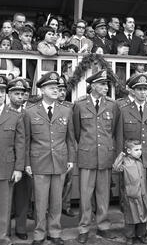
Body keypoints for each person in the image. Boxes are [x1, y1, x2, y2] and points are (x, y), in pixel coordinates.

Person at [24, 71, 76, 245]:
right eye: (52, 87)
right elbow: (26, 140)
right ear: (42, 90)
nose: (57, 90)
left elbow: (70, 137)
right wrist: (27, 163)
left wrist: (70, 159)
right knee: (40, 202)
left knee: (56, 201)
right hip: (39, 162)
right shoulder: (30, 112)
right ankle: (39, 235)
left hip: (60, 161)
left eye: (58, 87)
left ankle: (55, 232)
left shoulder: (66, 110)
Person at [73, 70, 119, 244]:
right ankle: (84, 228)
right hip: (87, 156)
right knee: (85, 195)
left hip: (105, 156)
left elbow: (113, 131)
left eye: (106, 84)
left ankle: (103, 226)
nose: (105, 87)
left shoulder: (112, 105)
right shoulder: (79, 105)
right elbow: (77, 132)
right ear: (92, 86)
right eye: (102, 84)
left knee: (103, 194)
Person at [116, 73, 147, 239]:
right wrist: (120, 162)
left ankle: (142, 231)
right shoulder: (124, 110)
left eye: (145, 89)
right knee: (129, 199)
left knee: (144, 198)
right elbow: (119, 137)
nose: (143, 92)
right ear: (133, 91)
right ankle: (129, 233)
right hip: (129, 164)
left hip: (146, 161)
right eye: (139, 89)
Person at [0, 75, 25, 245]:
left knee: (4, 205)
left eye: (1, 91)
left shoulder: (15, 115)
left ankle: (2, 235)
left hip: (5, 166)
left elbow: (20, 144)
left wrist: (18, 168)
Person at [113, 140, 147, 245]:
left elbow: (144, 174)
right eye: (136, 150)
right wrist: (121, 155)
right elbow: (115, 168)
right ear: (129, 150)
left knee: (143, 217)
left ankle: (141, 235)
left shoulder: (140, 161)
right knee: (130, 218)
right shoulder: (124, 162)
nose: (139, 152)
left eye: (140, 149)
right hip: (130, 196)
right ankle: (129, 236)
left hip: (142, 194)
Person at [7, 78, 31, 241]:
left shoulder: (27, 113)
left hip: (25, 161)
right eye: (16, 93)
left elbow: (29, 140)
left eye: (22, 94)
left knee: (23, 197)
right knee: (6, 199)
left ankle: (21, 228)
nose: (20, 97)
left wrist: (26, 163)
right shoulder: (3, 113)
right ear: (9, 94)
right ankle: (5, 229)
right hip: (7, 161)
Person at [57, 77, 75, 217]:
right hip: (55, 147)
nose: (62, 92)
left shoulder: (70, 106)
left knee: (69, 179)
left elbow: (73, 130)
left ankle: (66, 205)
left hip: (68, 146)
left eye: (64, 90)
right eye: (59, 89)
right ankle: (52, 207)